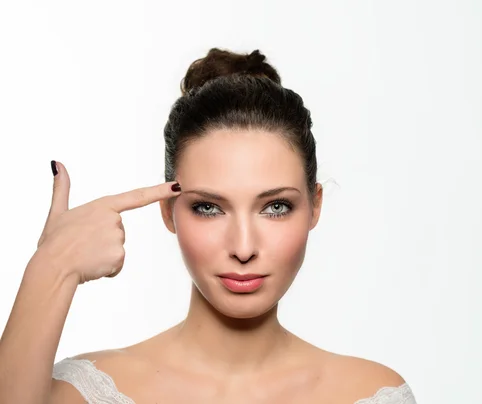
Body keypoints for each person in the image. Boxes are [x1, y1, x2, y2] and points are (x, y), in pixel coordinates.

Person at [0, 48, 416, 404]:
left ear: (314, 207)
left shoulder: (370, 393)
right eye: (208, 208)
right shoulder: (84, 392)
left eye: (274, 207)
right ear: (168, 211)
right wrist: (52, 268)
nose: (243, 247)